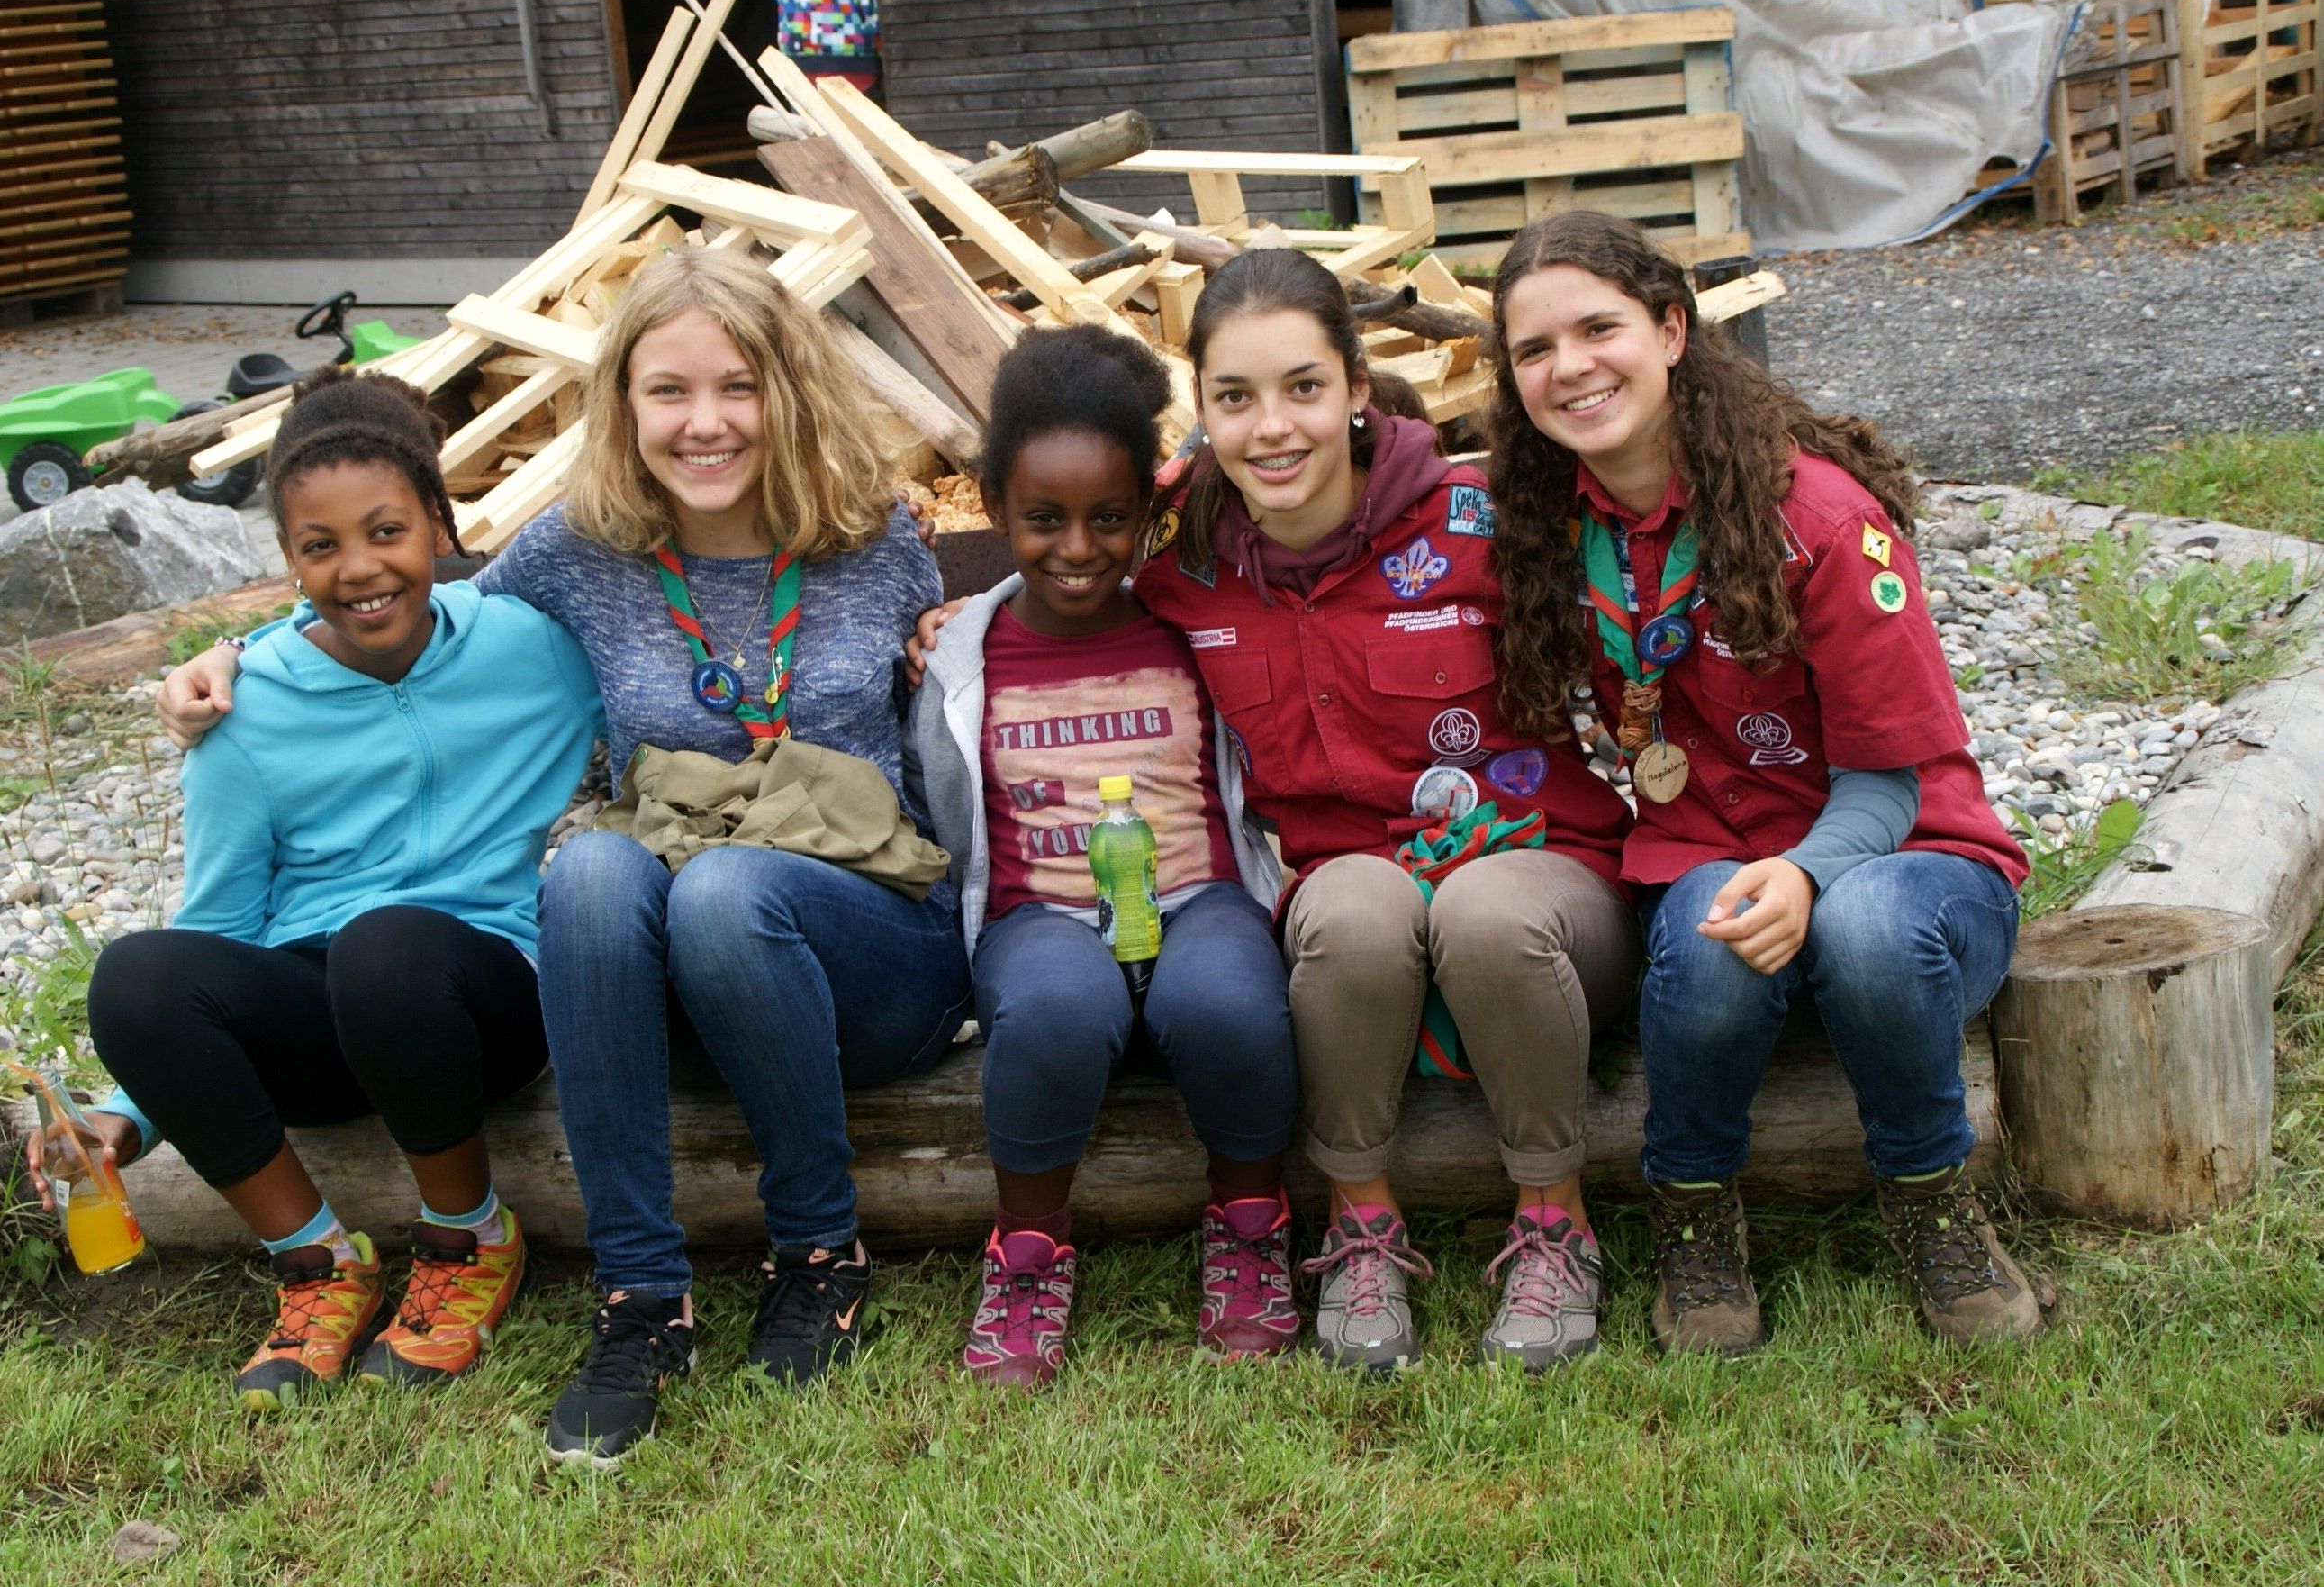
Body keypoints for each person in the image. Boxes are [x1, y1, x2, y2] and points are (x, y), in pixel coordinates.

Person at [158, 249, 968, 1465]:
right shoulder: (581, 553)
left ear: (787, 390)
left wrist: (963, 619)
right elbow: (402, 588)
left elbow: (1033, 588)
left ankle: (819, 1255)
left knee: (723, 889)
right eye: (668, 391)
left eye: (737, 386)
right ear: (624, 406)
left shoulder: (876, 534)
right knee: (589, 873)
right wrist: (244, 646)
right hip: (690, 966)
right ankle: (643, 1300)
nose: (704, 423)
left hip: (868, 950)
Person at [1484, 210, 2040, 1354]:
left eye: (1600, 328)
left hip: (1910, 858)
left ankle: (1931, 1201)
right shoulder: (1549, 526)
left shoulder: (1819, 517)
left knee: (1869, 928)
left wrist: (1803, 872)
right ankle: (1692, 1218)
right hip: (1716, 856)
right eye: (1534, 350)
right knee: (1703, 928)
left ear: (1673, 329)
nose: (1570, 367)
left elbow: (1889, 781)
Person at [29, 368, 601, 1410]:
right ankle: (317, 1263)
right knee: (135, 975)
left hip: (481, 1002)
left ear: (437, 522)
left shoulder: (539, 651)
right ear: (286, 560)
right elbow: (216, 933)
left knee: (388, 945)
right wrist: (126, 1113)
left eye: (386, 531)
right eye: (320, 547)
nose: (359, 569)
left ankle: (468, 1241)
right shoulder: (244, 711)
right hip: (322, 1014)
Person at [1132, 249, 1640, 1374]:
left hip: (1543, 888)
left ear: (1358, 389)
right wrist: (952, 625)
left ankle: (1555, 1220)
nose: (1272, 427)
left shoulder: (1486, 520)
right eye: (1235, 396)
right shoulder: (1179, 557)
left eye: (1303, 387)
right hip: (1349, 914)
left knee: (1483, 908)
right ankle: (1361, 1226)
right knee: (1356, 902)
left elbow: (1646, 630)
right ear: (1200, 409)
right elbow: (1056, 582)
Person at [911, 325, 1296, 1389]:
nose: (1077, 547)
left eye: (1110, 519)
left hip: (1198, 891)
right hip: (1042, 915)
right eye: (1043, 518)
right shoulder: (959, 653)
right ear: (993, 507)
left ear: (1149, 516)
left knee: (1228, 997)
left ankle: (1252, 1226)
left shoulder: (1193, 626)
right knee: (1057, 1009)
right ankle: (1028, 1255)